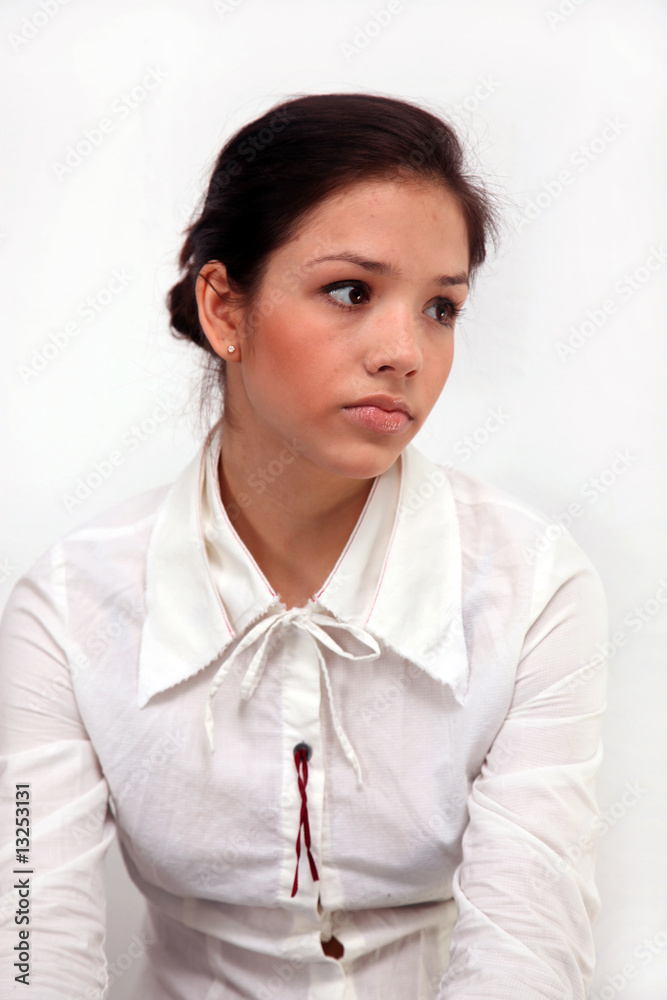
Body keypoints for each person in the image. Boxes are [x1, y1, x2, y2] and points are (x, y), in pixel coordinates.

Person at [0, 92, 609, 999]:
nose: (404, 351)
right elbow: (26, 940)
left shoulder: (530, 588)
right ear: (224, 310)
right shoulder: (69, 607)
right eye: (350, 291)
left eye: (440, 308)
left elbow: (527, 945)